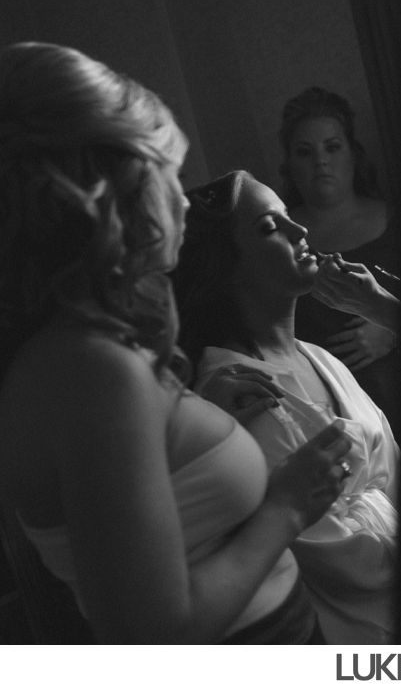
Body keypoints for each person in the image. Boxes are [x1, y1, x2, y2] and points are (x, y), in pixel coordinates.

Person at [0, 43, 350, 643]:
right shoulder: (92, 369)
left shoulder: (85, 353)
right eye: (168, 173)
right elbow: (155, 631)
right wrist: (288, 506)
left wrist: (201, 420)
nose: (184, 200)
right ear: (107, 194)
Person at [171, 170, 400, 644]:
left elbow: (394, 470)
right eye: (269, 227)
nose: (300, 232)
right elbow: (335, 556)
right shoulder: (237, 389)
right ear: (226, 264)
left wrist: (385, 309)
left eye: (288, 217)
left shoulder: (321, 356)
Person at [279, 87, 401, 429]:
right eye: (305, 152)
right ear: (289, 164)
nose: (321, 161)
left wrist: (391, 327)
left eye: (332, 147)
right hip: (321, 412)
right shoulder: (277, 234)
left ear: (352, 153)